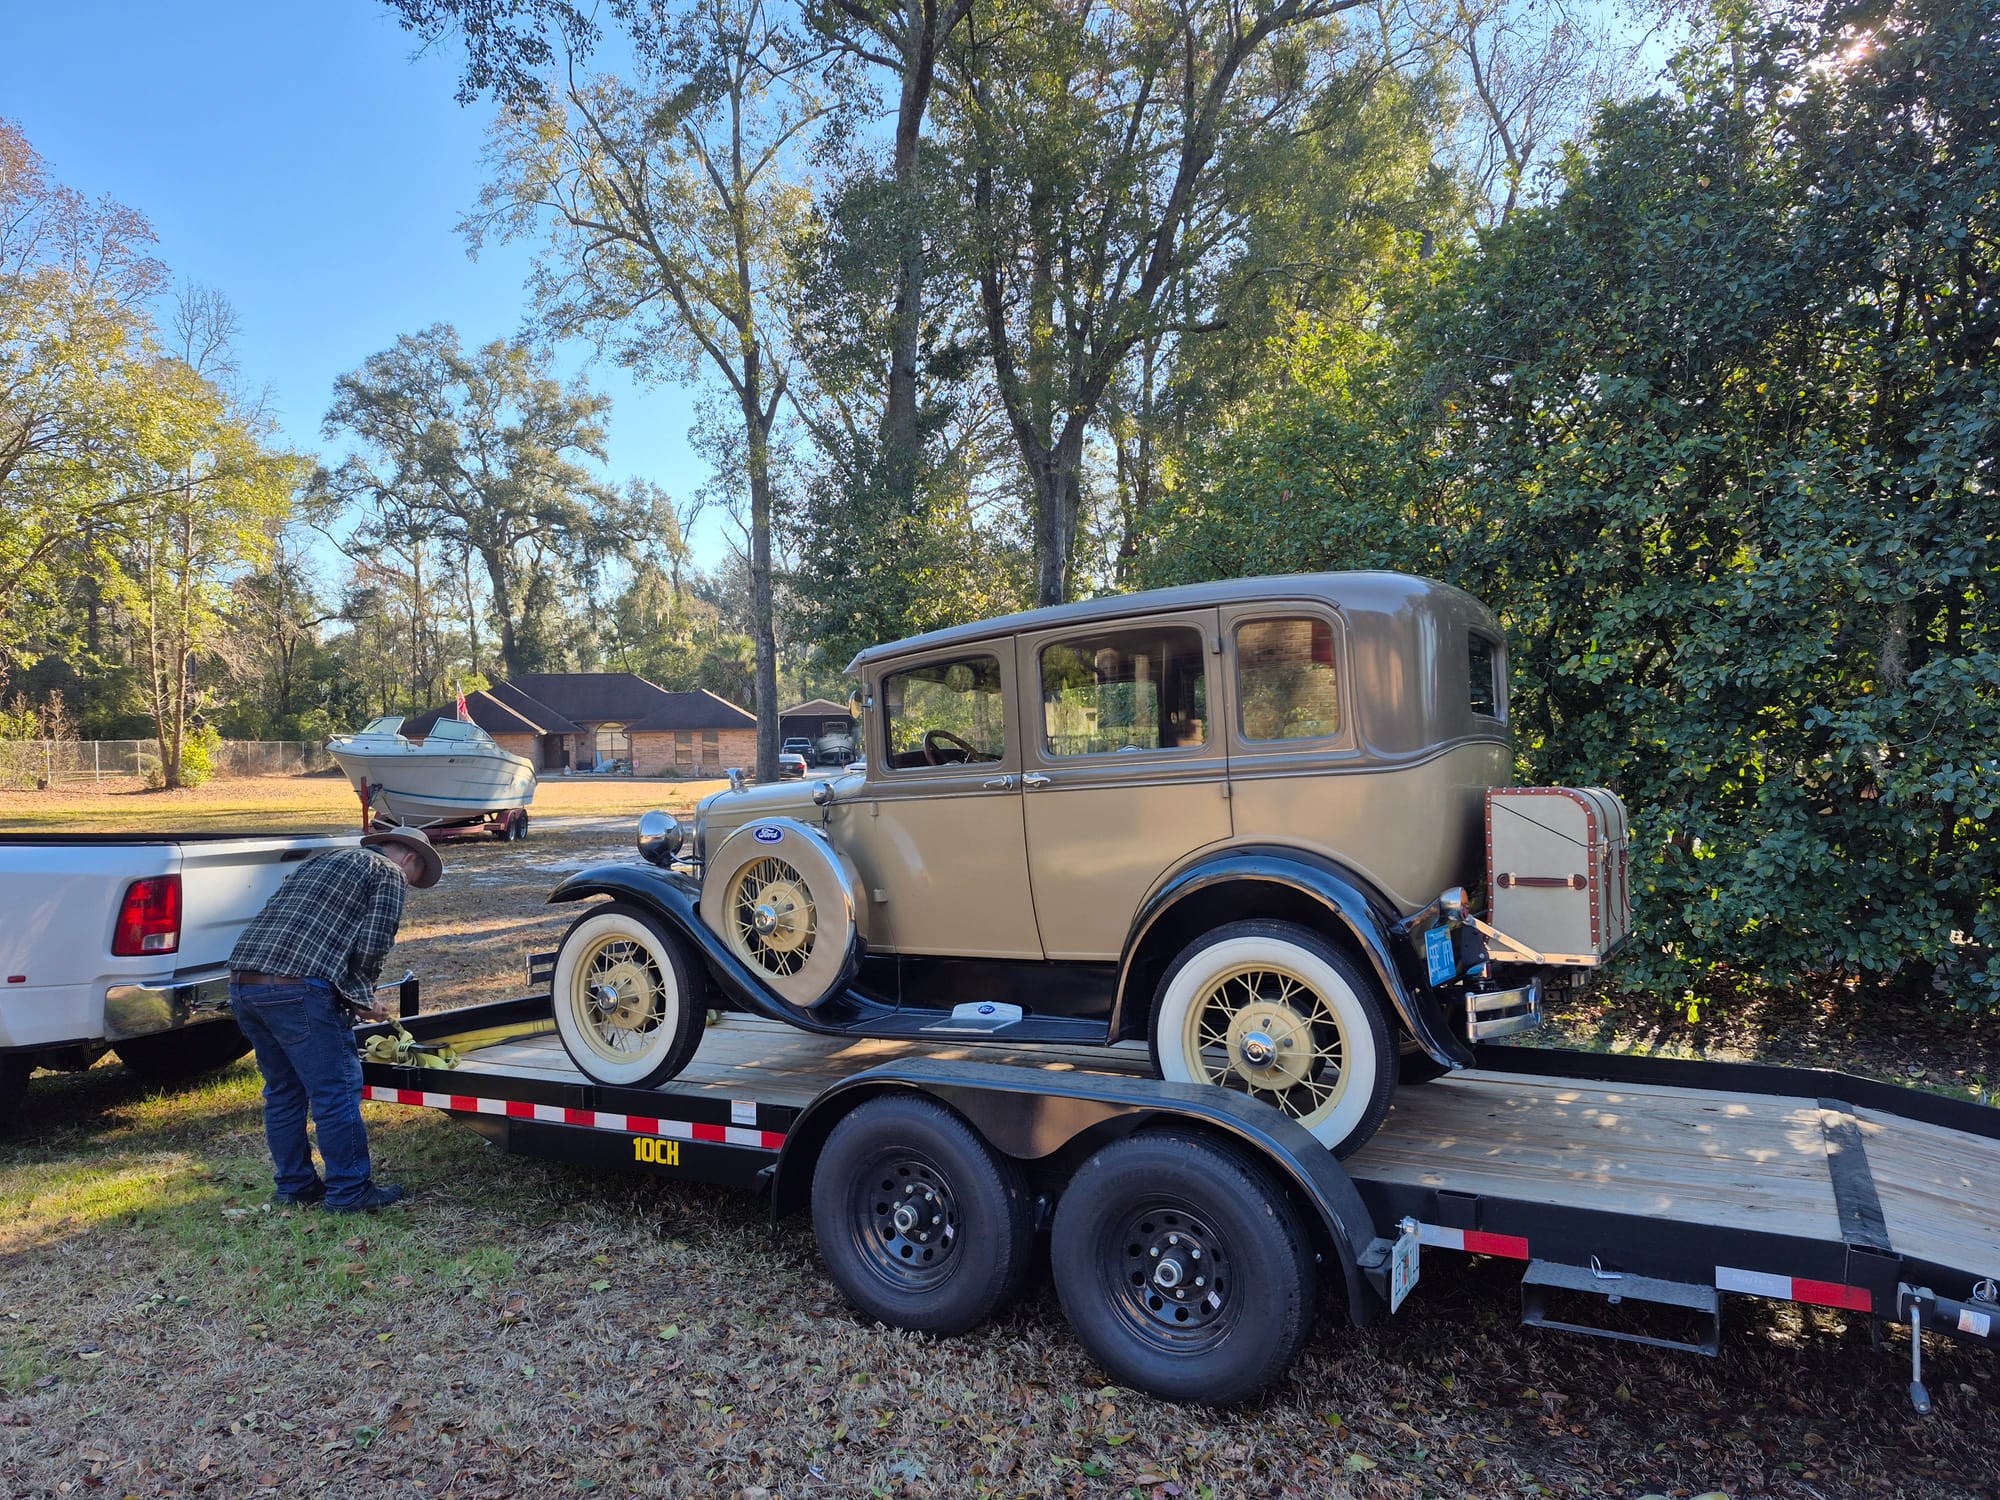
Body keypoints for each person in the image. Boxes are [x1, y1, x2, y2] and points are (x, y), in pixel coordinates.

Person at [227, 826, 442, 1212]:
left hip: (244, 982)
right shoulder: (388, 872)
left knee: (283, 1090)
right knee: (335, 1091)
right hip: (296, 988)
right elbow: (375, 940)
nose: (408, 884)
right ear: (410, 859)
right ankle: (350, 1190)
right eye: (414, 879)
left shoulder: (322, 862)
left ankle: (294, 1186)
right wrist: (363, 998)